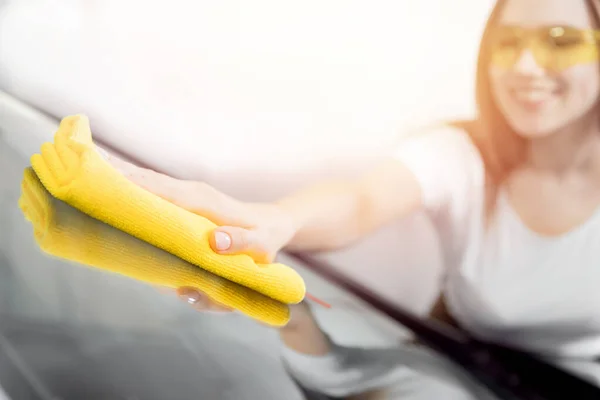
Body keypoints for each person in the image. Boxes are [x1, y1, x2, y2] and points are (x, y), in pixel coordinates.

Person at [105, 0, 600, 397]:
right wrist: (276, 221)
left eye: (560, 42)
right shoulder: (463, 156)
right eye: (507, 43)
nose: (526, 66)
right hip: (458, 375)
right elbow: (361, 202)